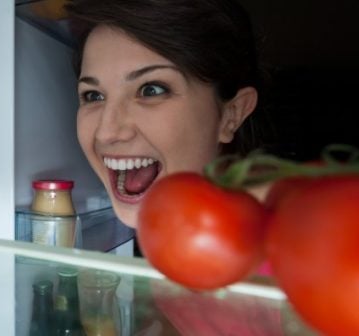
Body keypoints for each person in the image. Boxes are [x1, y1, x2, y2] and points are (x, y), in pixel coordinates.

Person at [66, 0, 266, 228]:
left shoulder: (283, 248)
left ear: (232, 115)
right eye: (93, 96)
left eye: (151, 90)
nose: (106, 132)